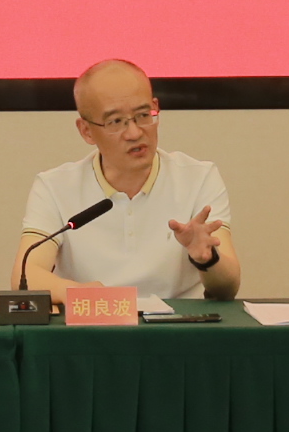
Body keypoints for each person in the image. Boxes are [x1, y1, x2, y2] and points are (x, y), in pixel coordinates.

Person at [14, 60, 238, 300]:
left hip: (178, 321)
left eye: (143, 115)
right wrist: (93, 298)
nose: (134, 133)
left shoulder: (198, 178)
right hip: (94, 318)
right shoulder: (54, 187)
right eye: (116, 121)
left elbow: (228, 287)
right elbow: (25, 276)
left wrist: (208, 259)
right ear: (86, 131)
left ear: (155, 108)